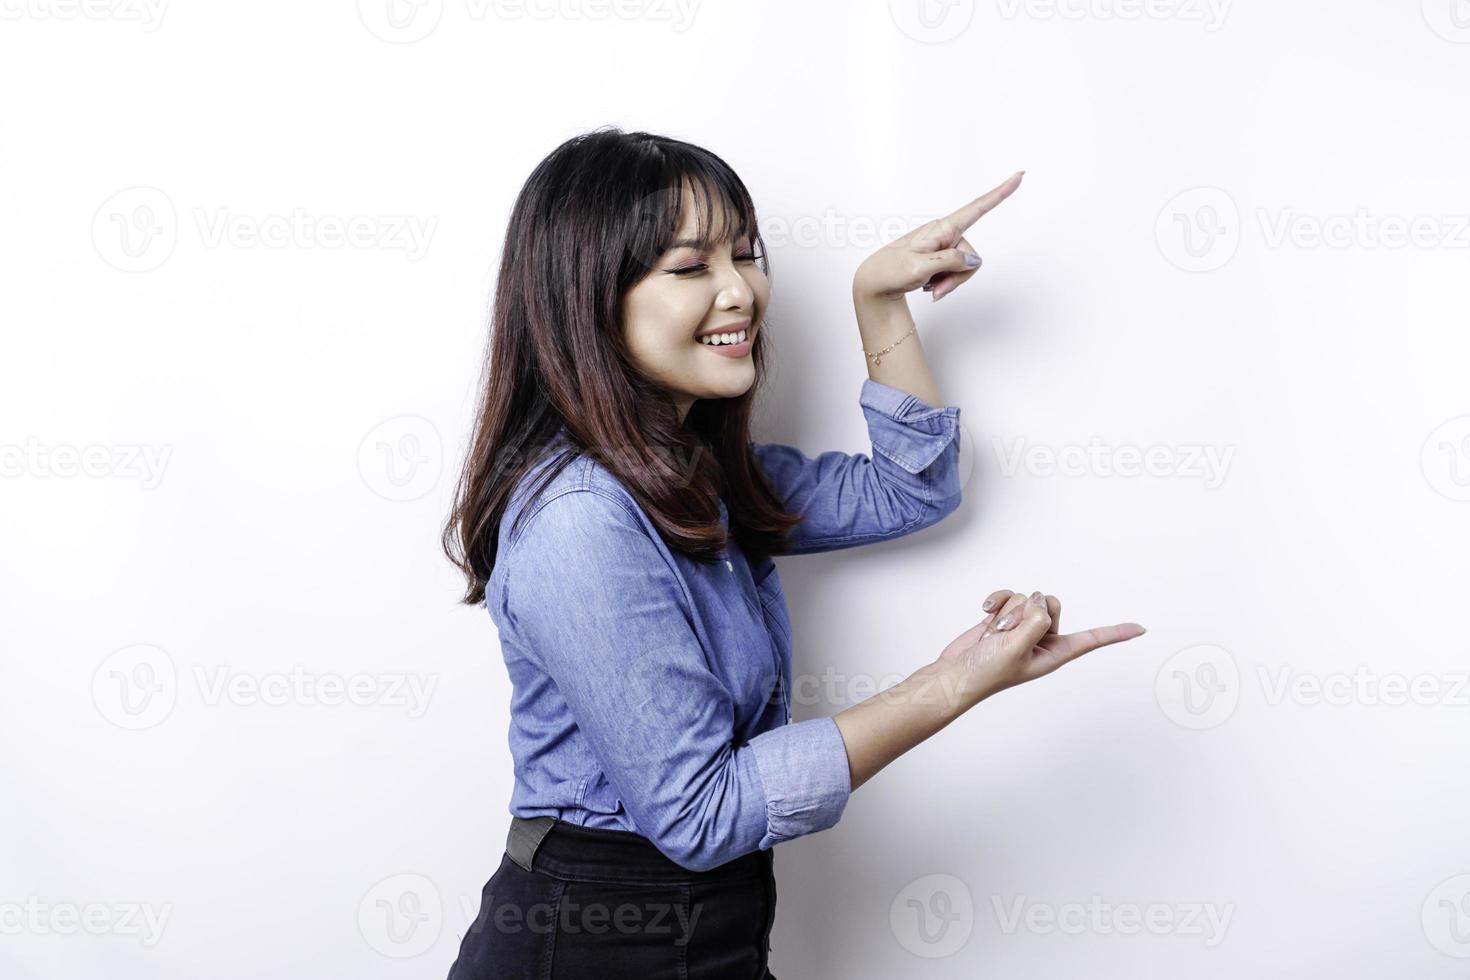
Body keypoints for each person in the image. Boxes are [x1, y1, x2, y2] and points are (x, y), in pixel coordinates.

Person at [440, 126, 1145, 978]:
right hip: (592, 941)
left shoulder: (690, 474)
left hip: (705, 927)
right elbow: (701, 813)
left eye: (745, 255)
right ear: (588, 298)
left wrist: (877, 301)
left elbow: (912, 489)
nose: (740, 291)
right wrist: (954, 683)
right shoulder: (579, 519)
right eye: (691, 266)